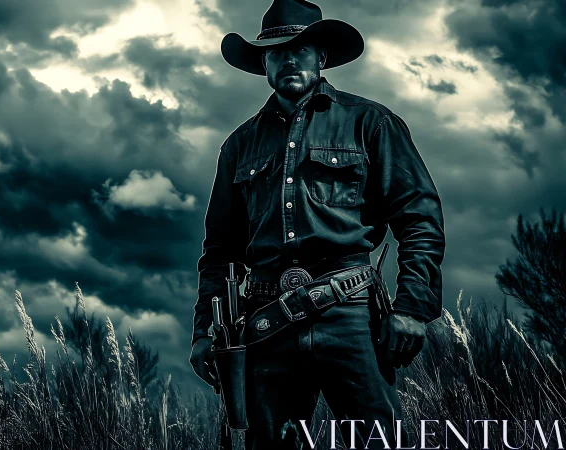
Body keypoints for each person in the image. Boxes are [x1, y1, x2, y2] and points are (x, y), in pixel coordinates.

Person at [188, 1, 446, 449]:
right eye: (276, 51)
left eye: (300, 48)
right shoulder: (238, 145)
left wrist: (411, 308)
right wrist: (205, 332)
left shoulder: (371, 123)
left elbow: (419, 217)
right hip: (265, 320)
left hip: (351, 311)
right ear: (263, 64)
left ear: (321, 58)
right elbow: (219, 251)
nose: (288, 58)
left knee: (379, 442)